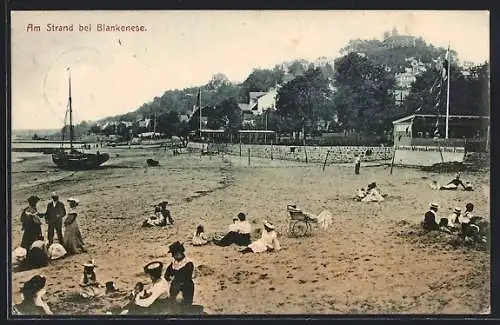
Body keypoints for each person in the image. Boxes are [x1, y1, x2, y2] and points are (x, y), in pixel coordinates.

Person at [164, 241, 195, 307]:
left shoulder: (188, 264)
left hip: (185, 289)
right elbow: (167, 274)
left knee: (184, 306)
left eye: (173, 254)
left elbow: (185, 279)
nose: (172, 256)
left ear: (178, 253)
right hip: (175, 287)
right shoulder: (174, 262)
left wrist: (180, 292)